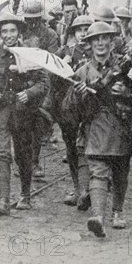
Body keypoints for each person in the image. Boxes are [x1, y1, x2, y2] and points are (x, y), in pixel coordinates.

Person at [0, 9, 48, 215]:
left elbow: (43, 82)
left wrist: (29, 93)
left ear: (19, 31)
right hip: (0, 111)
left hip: (24, 113)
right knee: (2, 154)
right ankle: (3, 199)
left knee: (23, 155)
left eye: (12, 30)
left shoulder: (31, 54)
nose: (8, 35)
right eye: (4, 31)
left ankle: (25, 194)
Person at [72, 22, 132, 237]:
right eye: (95, 40)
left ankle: (118, 211)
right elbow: (69, 110)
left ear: (112, 41)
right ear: (90, 44)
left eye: (105, 39)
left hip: (121, 126)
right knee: (98, 173)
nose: (100, 43)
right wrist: (78, 95)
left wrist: (127, 93)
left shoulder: (127, 68)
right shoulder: (82, 72)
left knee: (120, 173)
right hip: (95, 129)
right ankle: (98, 216)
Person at [47, 14, 93, 206]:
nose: (82, 34)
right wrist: (61, 66)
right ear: (74, 32)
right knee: (72, 149)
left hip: (91, 108)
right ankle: (77, 188)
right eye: (79, 30)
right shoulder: (64, 51)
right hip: (68, 110)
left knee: (91, 148)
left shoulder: (95, 52)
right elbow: (52, 81)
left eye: (86, 30)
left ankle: (90, 187)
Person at [20, 0, 59, 178]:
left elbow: (53, 61)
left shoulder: (50, 35)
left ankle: (34, 162)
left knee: (37, 124)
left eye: (35, 18)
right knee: (19, 124)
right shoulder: (19, 33)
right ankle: (20, 161)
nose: (32, 22)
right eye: (29, 19)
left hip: (43, 85)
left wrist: (40, 83)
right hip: (20, 82)